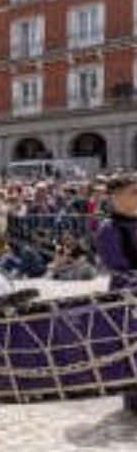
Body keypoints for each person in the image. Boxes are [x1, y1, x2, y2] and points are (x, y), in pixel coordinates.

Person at [93, 173, 137, 413]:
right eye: (134, 192)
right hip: (126, 295)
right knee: (131, 347)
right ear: (116, 197)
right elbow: (117, 266)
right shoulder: (108, 229)